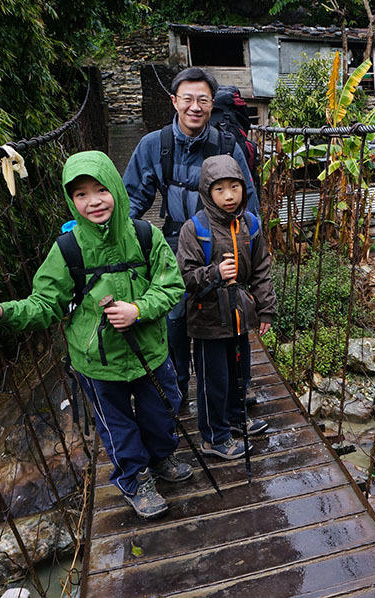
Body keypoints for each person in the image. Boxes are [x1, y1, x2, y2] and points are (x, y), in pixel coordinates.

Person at [0, 151, 190, 519]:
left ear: (117, 189)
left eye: (101, 189)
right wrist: (3, 311)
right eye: (81, 195)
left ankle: (161, 457)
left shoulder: (145, 235)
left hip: (150, 350)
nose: (93, 202)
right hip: (96, 362)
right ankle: (136, 479)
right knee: (117, 425)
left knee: (163, 409)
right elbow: (45, 303)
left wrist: (138, 310)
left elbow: (172, 285)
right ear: (71, 200)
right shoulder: (67, 249)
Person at [124, 67, 259, 402]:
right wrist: (113, 243)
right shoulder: (154, 145)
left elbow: (248, 200)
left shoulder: (227, 145)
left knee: (228, 315)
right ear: (174, 101)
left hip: (222, 243)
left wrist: (251, 255)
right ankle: (177, 387)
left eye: (203, 100)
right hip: (176, 242)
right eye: (188, 99)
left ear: (212, 105)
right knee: (175, 314)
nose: (195, 107)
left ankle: (235, 389)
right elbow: (131, 201)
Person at [176, 155, 275, 459]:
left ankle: (234, 418)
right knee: (213, 381)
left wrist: (266, 309)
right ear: (207, 192)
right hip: (207, 319)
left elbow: (260, 268)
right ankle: (213, 437)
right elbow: (184, 278)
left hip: (238, 314)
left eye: (235, 187)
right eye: (219, 190)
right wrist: (214, 274)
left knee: (238, 372)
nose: (229, 196)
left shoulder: (250, 224)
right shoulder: (194, 230)